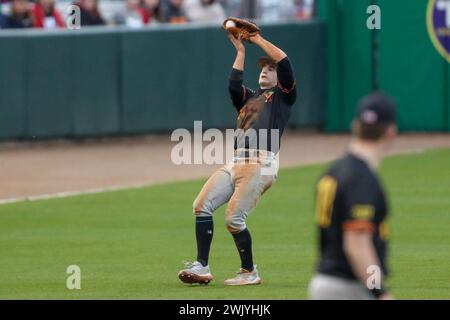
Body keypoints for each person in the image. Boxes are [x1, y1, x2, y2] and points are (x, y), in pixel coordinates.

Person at [178, 29, 297, 286]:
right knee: (201, 205)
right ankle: (201, 266)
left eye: (270, 68)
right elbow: (233, 84)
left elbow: (285, 61)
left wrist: (256, 40)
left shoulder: (283, 97)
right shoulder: (249, 97)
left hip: (261, 162)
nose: (265, 70)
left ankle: (249, 271)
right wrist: (241, 51)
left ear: (280, 77)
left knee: (233, 218)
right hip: (236, 161)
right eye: (263, 67)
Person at [309, 92, 397, 300]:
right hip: (349, 287)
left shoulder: (334, 171)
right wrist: (379, 291)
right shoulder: (362, 179)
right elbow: (356, 243)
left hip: (326, 282)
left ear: (355, 126)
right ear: (391, 132)